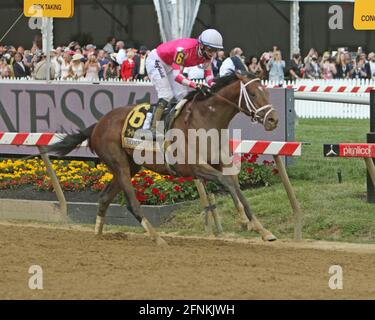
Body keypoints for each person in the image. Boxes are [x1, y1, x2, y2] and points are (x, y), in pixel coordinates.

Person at [145, 29, 223, 136]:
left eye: (215, 50)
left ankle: (172, 125)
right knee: (166, 95)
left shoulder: (207, 56)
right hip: (156, 60)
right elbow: (177, 76)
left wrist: (215, 86)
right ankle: (153, 128)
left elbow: (209, 76)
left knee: (182, 96)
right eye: (210, 49)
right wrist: (196, 85)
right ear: (201, 45)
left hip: (170, 64)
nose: (212, 54)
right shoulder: (183, 50)